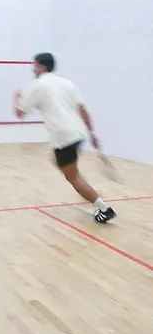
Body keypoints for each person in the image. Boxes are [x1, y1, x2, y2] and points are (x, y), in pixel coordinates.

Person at [13, 52, 116, 223]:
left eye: (35, 65)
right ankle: (84, 188)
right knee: (58, 161)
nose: (33, 69)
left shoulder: (37, 86)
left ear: (42, 67)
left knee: (72, 177)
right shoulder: (67, 83)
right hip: (78, 134)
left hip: (64, 137)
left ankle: (104, 209)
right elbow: (83, 110)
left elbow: (20, 113)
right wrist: (92, 134)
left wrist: (16, 99)